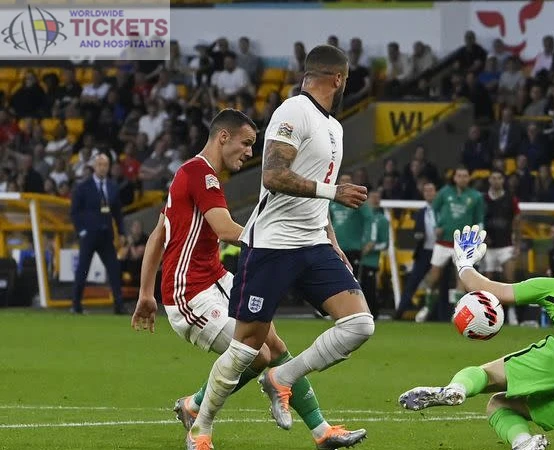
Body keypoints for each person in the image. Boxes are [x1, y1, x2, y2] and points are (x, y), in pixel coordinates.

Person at [130, 109, 361, 450]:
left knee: (277, 347)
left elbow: (157, 234)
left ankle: (321, 431)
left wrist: (145, 293)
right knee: (258, 356)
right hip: (189, 294)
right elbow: (224, 229)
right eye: (246, 143)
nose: (250, 152)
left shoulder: (196, 175)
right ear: (223, 137)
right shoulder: (199, 174)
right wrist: (281, 241)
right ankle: (196, 417)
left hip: (219, 279)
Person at [187, 45, 371, 450]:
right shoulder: (293, 111)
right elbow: (272, 175)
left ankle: (282, 378)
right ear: (338, 79)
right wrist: (334, 192)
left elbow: (317, 195)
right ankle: (200, 428)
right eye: (346, 78)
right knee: (245, 348)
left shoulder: (335, 128)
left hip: (313, 243)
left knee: (360, 324)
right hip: (270, 245)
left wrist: (332, 240)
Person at [399, 226, 554, 450]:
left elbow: (490, 289)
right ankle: (524, 443)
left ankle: (455, 389)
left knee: (486, 375)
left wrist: (464, 263)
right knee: (501, 404)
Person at [415, 166, 485, 323]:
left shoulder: (476, 197)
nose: (462, 178)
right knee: (434, 276)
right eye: (459, 175)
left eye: (465, 175)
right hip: (443, 241)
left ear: (469, 178)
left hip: (463, 243)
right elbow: (433, 209)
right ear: (454, 178)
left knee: (461, 277)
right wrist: (437, 226)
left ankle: (457, 313)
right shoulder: (445, 192)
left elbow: (479, 220)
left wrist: (478, 239)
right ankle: (426, 307)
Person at [70, 154, 125, 315]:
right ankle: (76, 305)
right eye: (100, 164)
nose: (102, 168)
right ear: (94, 166)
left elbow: (117, 212)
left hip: (106, 234)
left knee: (114, 269)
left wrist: (121, 232)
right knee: (83, 269)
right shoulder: (83, 187)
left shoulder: (112, 186)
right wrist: (82, 230)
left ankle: (119, 305)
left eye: (105, 165)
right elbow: (74, 212)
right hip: (89, 235)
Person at [482, 170, 522, 325]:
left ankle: (511, 312)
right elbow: (477, 219)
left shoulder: (510, 199)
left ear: (503, 180)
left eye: (499, 177)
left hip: (506, 245)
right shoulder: (482, 199)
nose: (496, 180)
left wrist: (517, 244)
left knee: (509, 279)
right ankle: (488, 313)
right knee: (487, 282)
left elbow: (518, 222)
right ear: (489, 179)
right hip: (488, 247)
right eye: (493, 177)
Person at [394, 181, 437, 320]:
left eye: (431, 190)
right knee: (412, 283)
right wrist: (418, 235)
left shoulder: (442, 210)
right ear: (423, 194)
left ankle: (442, 316)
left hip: (440, 252)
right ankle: (399, 314)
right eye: (426, 191)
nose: (429, 193)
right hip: (424, 252)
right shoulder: (421, 212)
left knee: (441, 284)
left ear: (435, 193)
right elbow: (416, 233)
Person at [329, 172, 373, 278]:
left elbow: (369, 219)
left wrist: (369, 240)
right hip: (336, 246)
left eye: (348, 180)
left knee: (352, 279)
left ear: (352, 183)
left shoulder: (357, 199)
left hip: (353, 247)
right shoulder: (331, 201)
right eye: (342, 181)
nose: (345, 183)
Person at [360, 189, 389, 318]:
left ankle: (373, 313)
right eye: (372, 197)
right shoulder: (361, 216)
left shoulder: (382, 220)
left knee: (369, 288)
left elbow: (385, 243)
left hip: (371, 260)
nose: (374, 200)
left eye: (377, 197)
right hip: (357, 257)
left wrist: (371, 248)